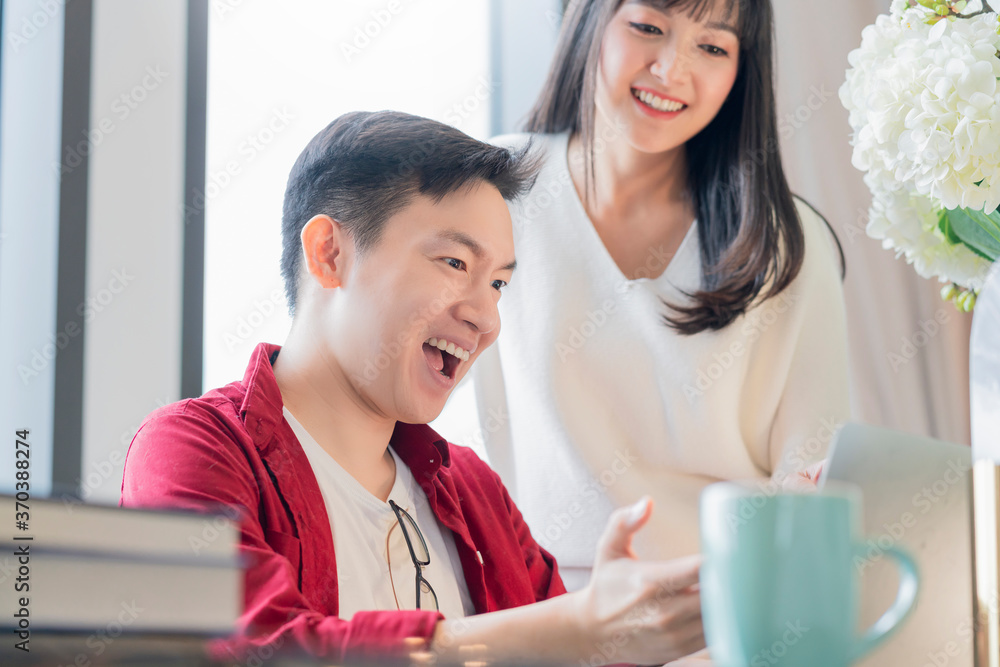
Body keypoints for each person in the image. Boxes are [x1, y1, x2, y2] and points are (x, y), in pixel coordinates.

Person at [119, 111, 707, 665]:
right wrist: (576, 628)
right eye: (454, 264)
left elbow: (582, 639)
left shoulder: (474, 492)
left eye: (499, 283)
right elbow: (256, 649)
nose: (486, 317)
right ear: (329, 254)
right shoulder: (192, 449)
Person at [452, 0, 851, 591]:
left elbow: (815, 478)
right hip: (530, 607)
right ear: (587, 22)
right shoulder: (492, 192)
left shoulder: (784, 243)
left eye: (713, 47)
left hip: (720, 609)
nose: (671, 70)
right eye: (648, 27)